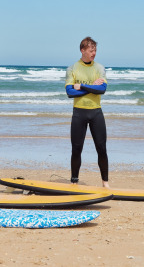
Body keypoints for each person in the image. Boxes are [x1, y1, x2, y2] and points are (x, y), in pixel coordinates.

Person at [65, 37, 109, 188]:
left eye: (95, 50)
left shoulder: (100, 68)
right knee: (76, 149)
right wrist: (91, 88)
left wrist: (81, 86)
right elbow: (69, 92)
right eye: (91, 50)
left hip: (96, 113)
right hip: (79, 113)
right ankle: (74, 181)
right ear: (82, 50)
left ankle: (105, 182)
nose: (94, 53)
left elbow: (102, 90)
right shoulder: (72, 69)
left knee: (101, 148)